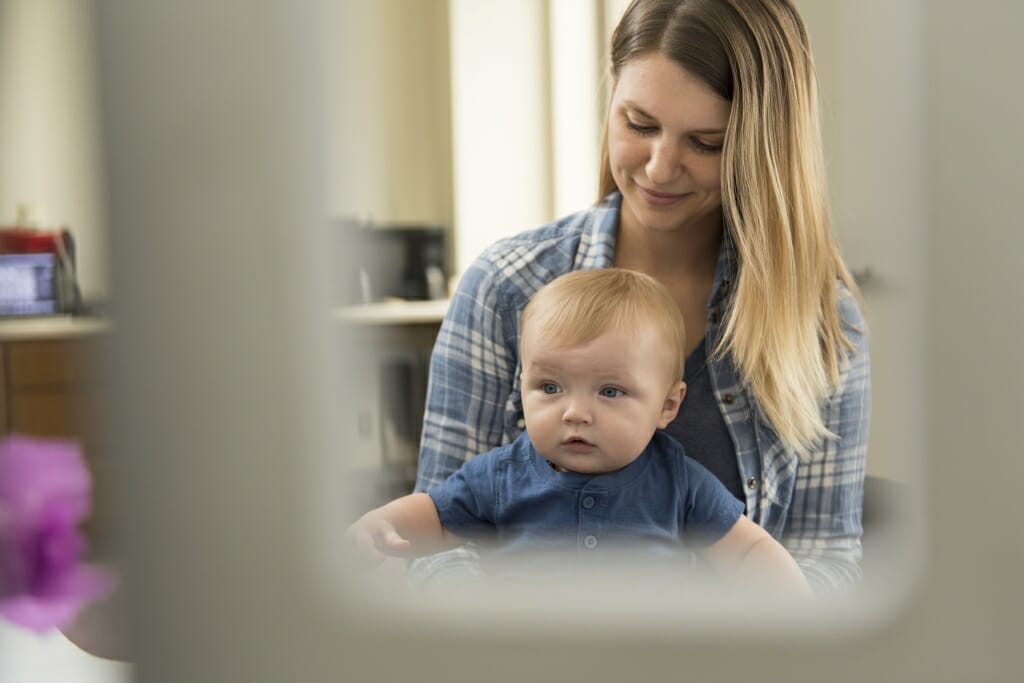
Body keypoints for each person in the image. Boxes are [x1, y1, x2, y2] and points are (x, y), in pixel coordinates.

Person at [413, 0, 870, 594]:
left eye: (705, 142)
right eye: (640, 124)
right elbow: (433, 547)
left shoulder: (820, 322)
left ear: (763, 150)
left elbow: (828, 562)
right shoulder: (505, 286)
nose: (658, 168)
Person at [349, 269, 810, 595]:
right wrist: (383, 524)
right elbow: (435, 517)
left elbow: (747, 551)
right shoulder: (500, 475)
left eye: (610, 391)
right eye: (550, 386)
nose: (575, 412)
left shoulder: (679, 482)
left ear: (667, 405)